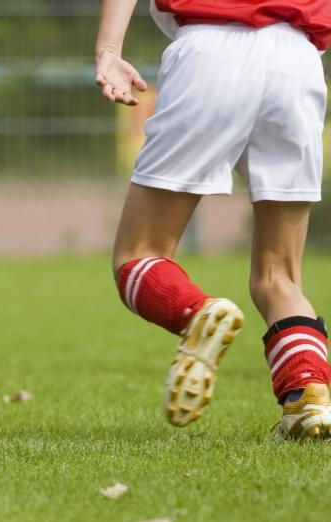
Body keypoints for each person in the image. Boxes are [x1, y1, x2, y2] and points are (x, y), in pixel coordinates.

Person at [95, 0, 331, 439]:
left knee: (138, 254)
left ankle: (199, 313)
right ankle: (308, 396)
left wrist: (109, 49)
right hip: (298, 60)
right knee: (279, 276)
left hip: (210, 48)